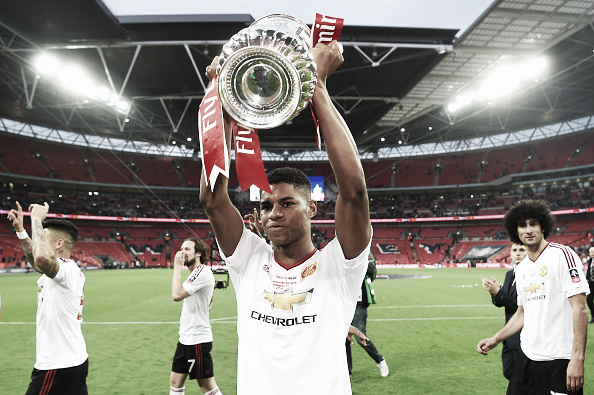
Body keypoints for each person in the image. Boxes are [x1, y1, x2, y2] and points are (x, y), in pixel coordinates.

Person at [199, 40, 372, 395]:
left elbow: (354, 191)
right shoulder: (249, 259)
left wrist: (318, 88)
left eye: (287, 204)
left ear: (312, 208)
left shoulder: (340, 265)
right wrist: (225, 110)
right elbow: (212, 200)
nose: (273, 214)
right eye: (265, 206)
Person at [477, 199, 589, 395]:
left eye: (533, 224)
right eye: (522, 225)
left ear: (543, 226)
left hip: (559, 359)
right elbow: (522, 313)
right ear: (516, 231)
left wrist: (577, 359)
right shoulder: (522, 269)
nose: (528, 230)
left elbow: (580, 308)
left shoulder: (562, 255)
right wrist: (496, 338)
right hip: (526, 356)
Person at [7, 201, 88, 395]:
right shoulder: (61, 271)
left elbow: (41, 258)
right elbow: (37, 260)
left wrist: (36, 219)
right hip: (72, 360)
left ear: (59, 244)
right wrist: (21, 231)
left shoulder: (67, 269)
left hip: (57, 365)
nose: (38, 242)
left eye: (43, 237)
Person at [169, 237, 223, 395]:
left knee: (206, 387)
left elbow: (176, 294)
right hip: (186, 338)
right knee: (175, 382)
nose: (182, 252)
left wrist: (177, 267)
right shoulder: (195, 272)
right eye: (181, 249)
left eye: (187, 249)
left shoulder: (202, 271)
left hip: (197, 339)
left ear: (198, 253)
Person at [481, 242, 527, 385]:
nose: (518, 253)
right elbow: (502, 303)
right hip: (508, 335)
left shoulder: (529, 276)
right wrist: (494, 294)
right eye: (514, 250)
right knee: (509, 372)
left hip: (522, 335)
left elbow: (520, 307)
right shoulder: (509, 274)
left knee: (520, 378)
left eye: (521, 249)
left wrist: (499, 293)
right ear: (510, 254)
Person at [345, 255, 389, 377]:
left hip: (359, 304)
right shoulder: (340, 261)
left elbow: (371, 270)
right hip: (344, 304)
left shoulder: (364, 262)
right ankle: (347, 372)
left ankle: (380, 360)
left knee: (360, 338)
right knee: (343, 339)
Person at [586, 246, 594, 323]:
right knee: (589, 300)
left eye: (593, 252)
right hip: (590, 284)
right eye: (591, 252)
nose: (592, 254)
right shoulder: (589, 261)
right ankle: (593, 317)